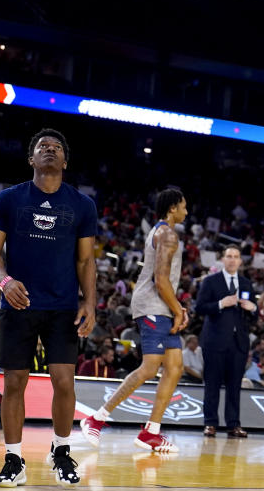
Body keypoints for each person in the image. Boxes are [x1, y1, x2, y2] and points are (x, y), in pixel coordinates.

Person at [0, 129, 98, 488]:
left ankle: (61, 451)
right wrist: (4, 282)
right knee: (14, 382)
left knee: (64, 381)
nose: (49, 151)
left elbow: (86, 262)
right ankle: (14, 459)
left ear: (65, 161)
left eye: (56, 148)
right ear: (31, 159)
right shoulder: (8, 199)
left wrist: (90, 303)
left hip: (63, 306)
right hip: (18, 302)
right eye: (42, 147)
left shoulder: (82, 205)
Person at [81, 188, 189, 453]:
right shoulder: (167, 234)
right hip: (153, 305)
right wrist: (178, 310)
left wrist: (177, 308)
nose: (187, 211)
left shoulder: (161, 231)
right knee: (151, 367)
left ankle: (151, 432)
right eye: (184, 206)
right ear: (173, 208)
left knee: (175, 367)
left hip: (162, 305)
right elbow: (160, 281)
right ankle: (97, 418)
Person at [195, 244, 257, 437]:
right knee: (212, 384)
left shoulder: (246, 283)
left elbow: (255, 317)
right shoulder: (211, 281)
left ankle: (233, 424)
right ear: (222, 259)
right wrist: (222, 303)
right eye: (229, 256)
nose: (232, 259)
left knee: (234, 386)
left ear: (240, 261)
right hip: (214, 341)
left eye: (236, 256)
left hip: (238, 342)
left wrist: (253, 308)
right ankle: (210, 423)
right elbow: (199, 308)